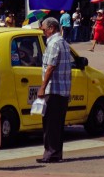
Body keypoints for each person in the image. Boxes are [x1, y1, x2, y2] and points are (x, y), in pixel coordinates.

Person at [37, 17, 71, 164]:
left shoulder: (53, 44)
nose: (43, 32)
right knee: (57, 124)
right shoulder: (63, 42)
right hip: (62, 90)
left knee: (50, 124)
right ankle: (55, 153)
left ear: (51, 28)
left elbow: (50, 66)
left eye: (44, 29)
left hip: (54, 89)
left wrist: (42, 87)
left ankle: (50, 154)